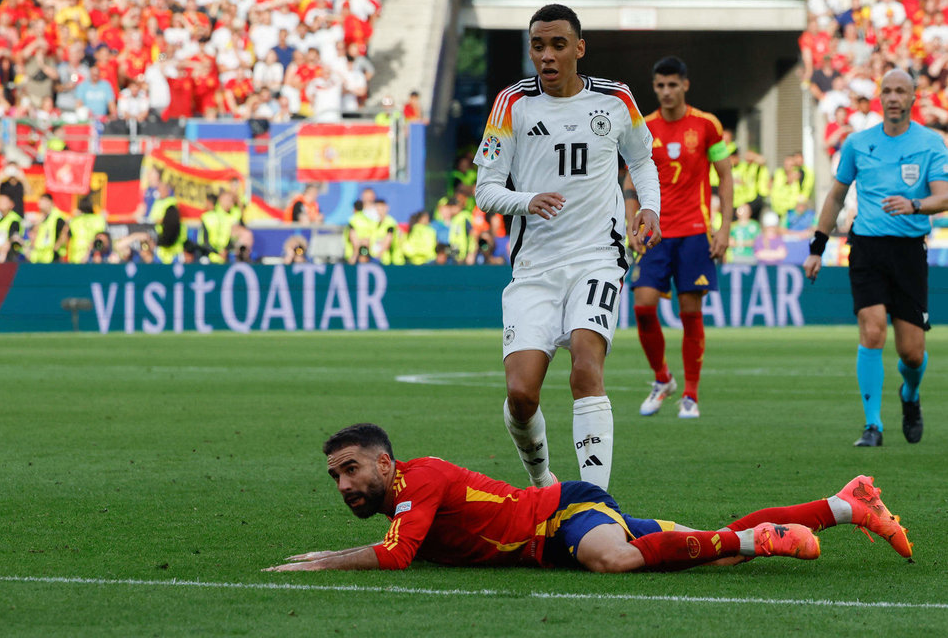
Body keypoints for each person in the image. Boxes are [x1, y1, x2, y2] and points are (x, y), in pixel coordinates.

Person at [264, 423, 912, 573]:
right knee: (712, 553)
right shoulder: (402, 499)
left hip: (561, 515)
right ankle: (846, 505)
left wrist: (327, 560)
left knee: (617, 560)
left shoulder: (417, 482)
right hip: (552, 532)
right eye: (335, 478)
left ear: (383, 461)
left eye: (351, 470)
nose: (345, 485)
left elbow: (396, 555)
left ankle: (759, 539)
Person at [473, 4, 661, 491]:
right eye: (538, 46)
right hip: (534, 267)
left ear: (579, 48)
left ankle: (595, 502)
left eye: (558, 45)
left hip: (598, 258)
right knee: (520, 393)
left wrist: (650, 209)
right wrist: (528, 200)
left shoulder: (616, 99)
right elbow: (486, 189)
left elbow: (641, 161)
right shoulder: (512, 104)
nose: (547, 55)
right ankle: (543, 485)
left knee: (585, 366)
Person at [804, 69, 948, 447]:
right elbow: (836, 196)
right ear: (879, 98)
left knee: (912, 353)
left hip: (908, 251)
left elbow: (944, 196)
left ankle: (910, 396)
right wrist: (817, 247)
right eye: (887, 91)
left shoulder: (931, 143)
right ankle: (873, 425)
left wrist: (914, 205)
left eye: (901, 90)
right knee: (871, 331)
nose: (894, 97)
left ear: (914, 97)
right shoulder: (857, 142)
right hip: (866, 246)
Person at [625, 56, 734, 420]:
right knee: (642, 306)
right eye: (660, 86)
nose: (666, 92)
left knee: (690, 311)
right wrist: (631, 222)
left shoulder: (707, 126)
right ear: (654, 87)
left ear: (685, 85)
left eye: (673, 85)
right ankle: (663, 379)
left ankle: (690, 394)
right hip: (656, 233)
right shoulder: (643, 127)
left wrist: (724, 227)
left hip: (694, 232)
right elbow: (629, 182)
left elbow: (725, 177)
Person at [29, 193, 70, 263]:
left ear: (50, 202)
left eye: (43, 201)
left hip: (52, 257)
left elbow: (65, 232)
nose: (40, 204)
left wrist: (56, 247)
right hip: (39, 257)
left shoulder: (57, 217)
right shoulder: (41, 218)